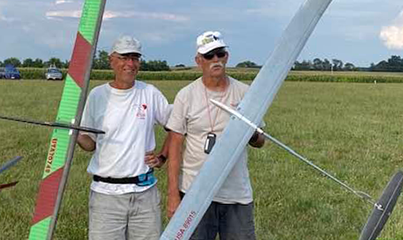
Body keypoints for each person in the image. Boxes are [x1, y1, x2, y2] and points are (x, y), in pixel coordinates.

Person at [164, 31, 265, 240]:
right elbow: (175, 146)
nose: (216, 60)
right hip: (195, 194)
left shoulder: (245, 93)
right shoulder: (186, 95)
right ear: (198, 60)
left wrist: (251, 133)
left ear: (227, 56)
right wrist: (173, 195)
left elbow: (260, 141)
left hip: (236, 194)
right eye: (209, 56)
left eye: (220, 54)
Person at [77, 35, 172, 240]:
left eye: (135, 58)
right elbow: (89, 143)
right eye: (124, 57)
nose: (130, 64)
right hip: (105, 196)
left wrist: (162, 157)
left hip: (145, 195)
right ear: (111, 60)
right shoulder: (97, 95)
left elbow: (175, 127)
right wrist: (74, 134)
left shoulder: (150, 93)